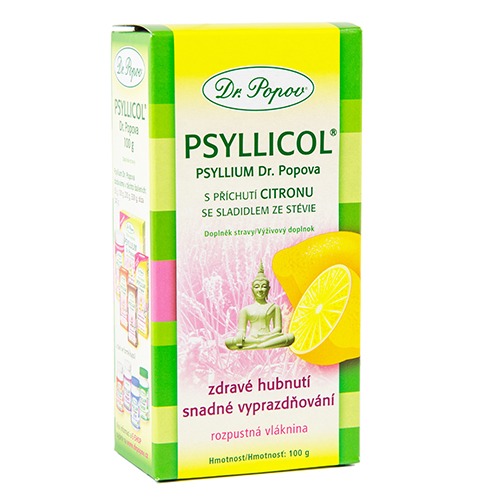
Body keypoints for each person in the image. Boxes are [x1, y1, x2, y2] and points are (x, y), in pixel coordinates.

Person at [225, 262, 294, 350]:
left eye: (263, 286)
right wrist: (240, 335)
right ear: (252, 290)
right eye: (257, 287)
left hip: (269, 337)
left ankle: (258, 345)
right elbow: (241, 330)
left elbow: (278, 329)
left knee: (290, 337)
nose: (260, 290)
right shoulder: (245, 310)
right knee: (228, 342)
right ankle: (262, 344)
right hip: (251, 339)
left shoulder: (274, 307)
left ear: (268, 289)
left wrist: (267, 336)